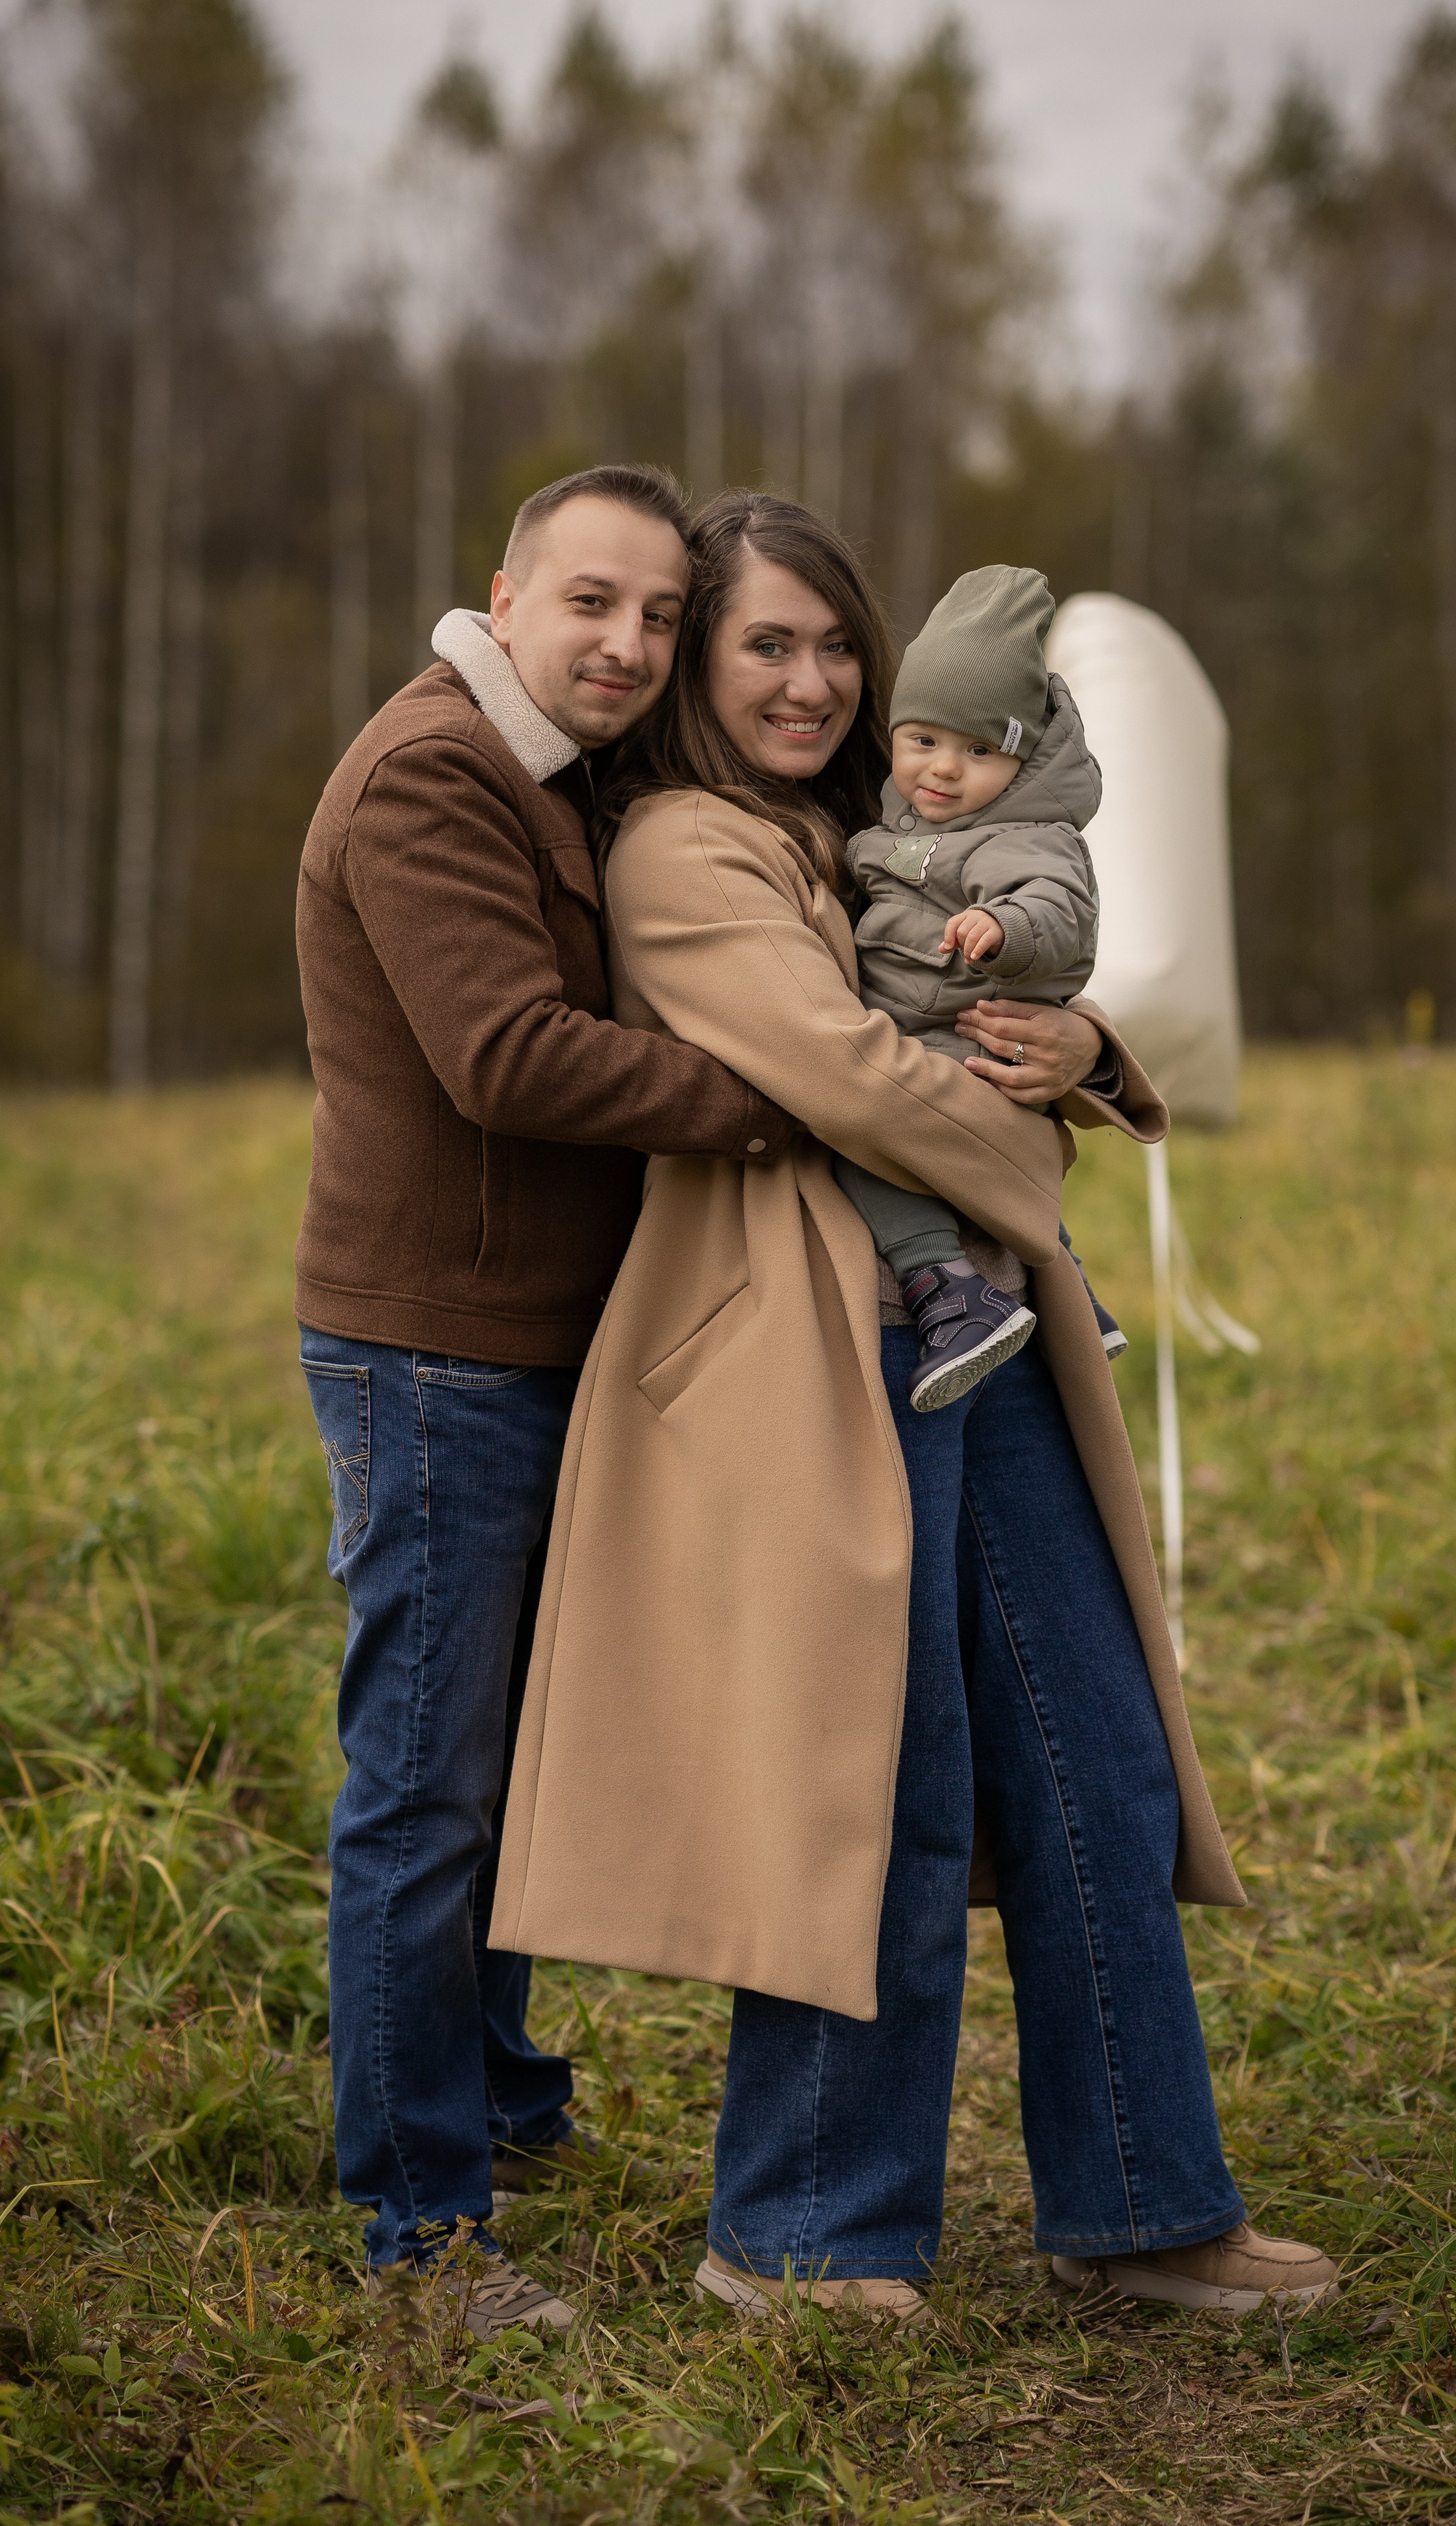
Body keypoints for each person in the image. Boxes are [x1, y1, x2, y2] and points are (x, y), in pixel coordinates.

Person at [491, 490, 1338, 2324]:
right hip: (817, 1353)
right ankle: (798, 2234)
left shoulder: (883, 825)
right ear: (701, 671)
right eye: (761, 646)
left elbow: (1002, 985)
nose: (809, 680)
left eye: (832, 643)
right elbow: (851, 1075)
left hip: (979, 1332)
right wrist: (1041, 1126)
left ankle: (1141, 2202)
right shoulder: (681, 852)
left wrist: (1089, 1043)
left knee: (1091, 1750)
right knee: (868, 1780)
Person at [292, 463, 793, 2310]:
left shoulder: (563, 775)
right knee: (424, 1781)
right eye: (593, 602)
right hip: (432, 1347)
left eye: (660, 617)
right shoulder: (433, 769)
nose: (630, 644)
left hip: (523, 1337)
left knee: (494, 1762)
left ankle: (494, 2094)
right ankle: (418, 2223)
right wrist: (770, 1093)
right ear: (501, 592)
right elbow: (505, 1056)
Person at [837, 562, 1101, 1411]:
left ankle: (947, 1288)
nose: (942, 770)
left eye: (977, 750)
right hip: (922, 1027)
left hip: (958, 1032)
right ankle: (1071, 1298)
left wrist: (1005, 931)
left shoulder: (1021, 835)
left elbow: (1060, 911)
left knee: (865, 1149)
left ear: (1018, 760)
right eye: (922, 742)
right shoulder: (901, 824)